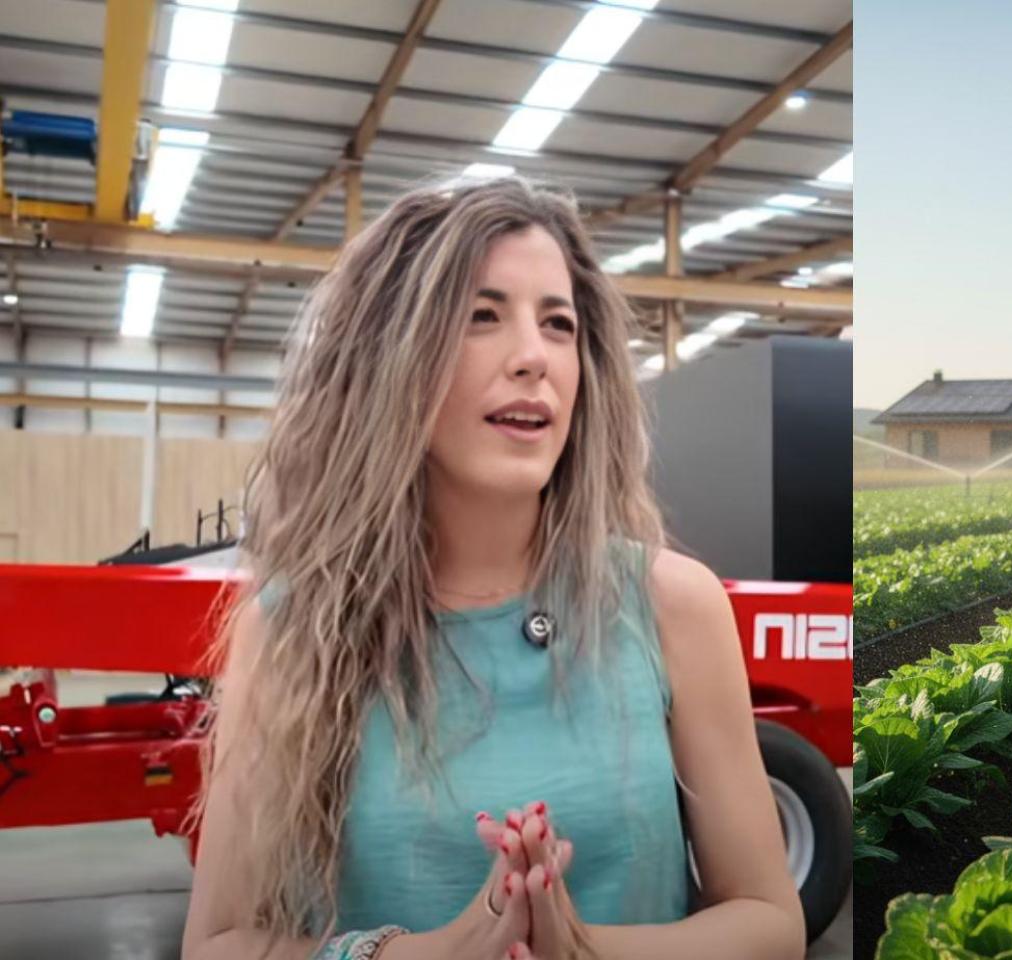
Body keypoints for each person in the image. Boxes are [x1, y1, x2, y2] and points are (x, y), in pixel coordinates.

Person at [180, 176, 806, 959]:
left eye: (557, 324)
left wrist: (583, 951)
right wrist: (420, 955)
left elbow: (770, 920)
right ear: (391, 359)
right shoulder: (292, 626)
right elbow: (216, 945)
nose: (532, 358)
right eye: (482, 317)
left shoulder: (672, 605)